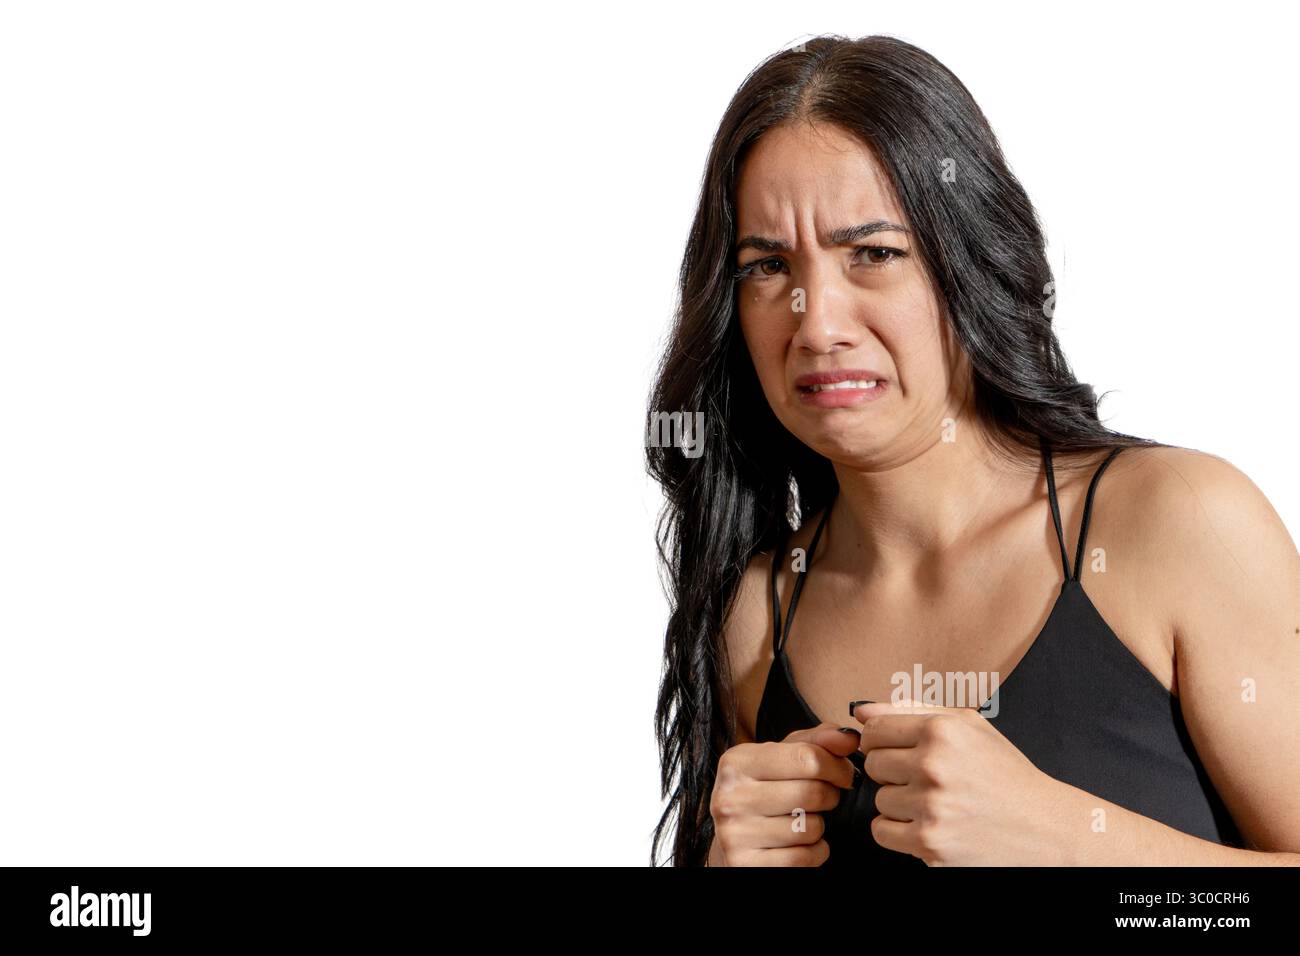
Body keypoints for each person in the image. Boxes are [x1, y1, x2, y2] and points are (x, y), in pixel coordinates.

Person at [645, 34, 1300, 866]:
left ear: (969, 260)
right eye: (767, 265)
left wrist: (1063, 840)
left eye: (874, 254)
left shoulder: (1180, 523)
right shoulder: (758, 615)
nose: (817, 325)